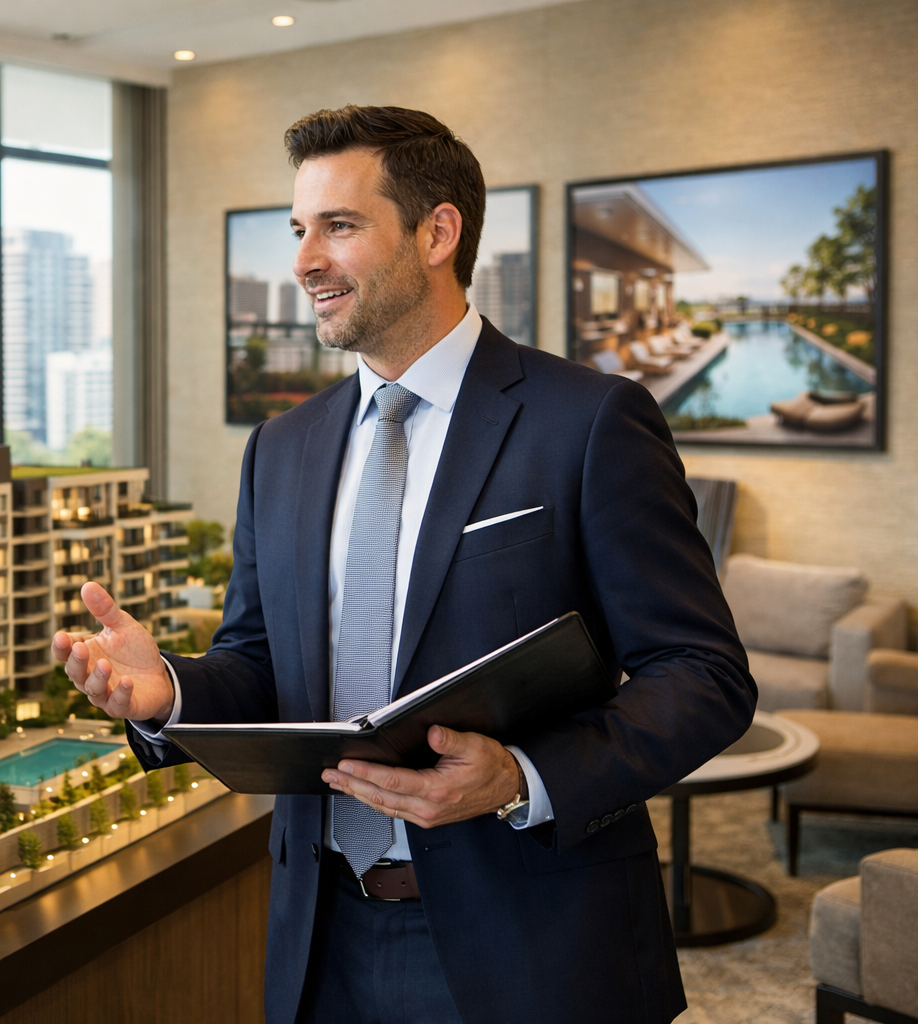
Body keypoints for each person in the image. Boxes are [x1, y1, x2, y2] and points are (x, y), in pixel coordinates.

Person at [53, 106, 754, 1024]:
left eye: (338, 227)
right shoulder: (281, 448)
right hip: (323, 940)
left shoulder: (588, 422)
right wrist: (171, 695)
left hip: (535, 938)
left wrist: (519, 777)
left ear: (438, 231)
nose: (305, 261)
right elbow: (265, 666)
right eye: (300, 230)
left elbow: (702, 675)